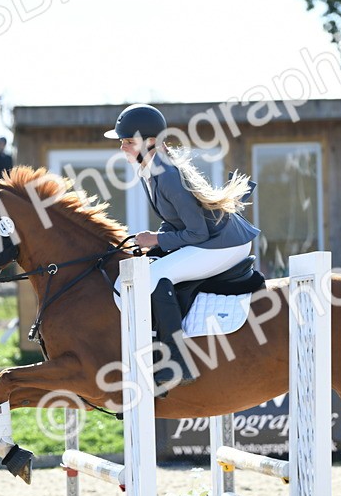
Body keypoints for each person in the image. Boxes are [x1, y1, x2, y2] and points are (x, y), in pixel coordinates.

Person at [106, 103, 259, 393]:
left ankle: (175, 363)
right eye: (122, 142)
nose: (123, 148)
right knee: (153, 268)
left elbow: (197, 232)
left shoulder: (167, 174)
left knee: (153, 279)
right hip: (212, 239)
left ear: (150, 142)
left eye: (128, 141)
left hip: (225, 245)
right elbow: (175, 221)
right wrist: (155, 243)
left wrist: (158, 241)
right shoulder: (150, 171)